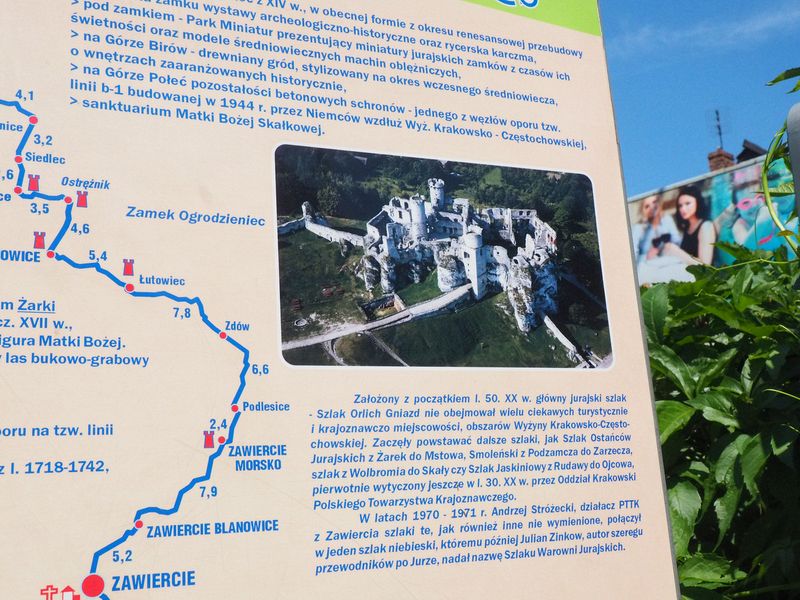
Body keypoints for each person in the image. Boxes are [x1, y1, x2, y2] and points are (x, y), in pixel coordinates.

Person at [661, 185, 716, 265]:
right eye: (680, 206)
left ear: (697, 202)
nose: (683, 209)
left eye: (688, 203)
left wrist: (677, 252)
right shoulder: (687, 227)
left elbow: (706, 267)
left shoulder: (706, 226)